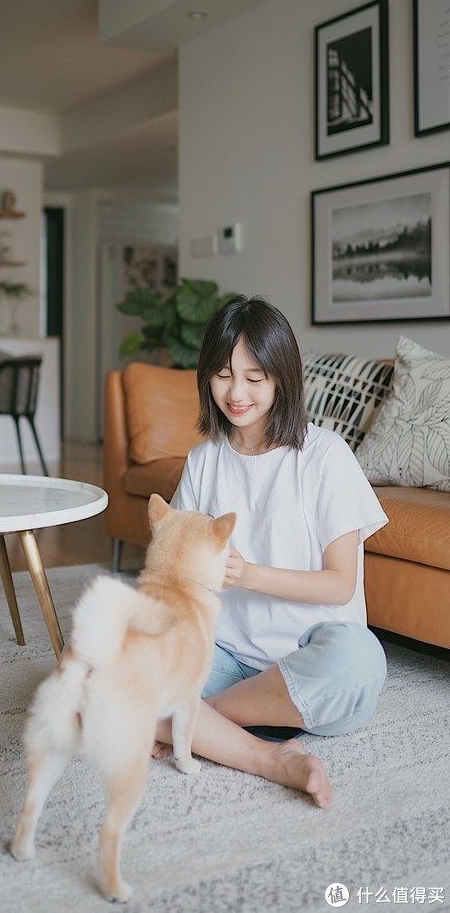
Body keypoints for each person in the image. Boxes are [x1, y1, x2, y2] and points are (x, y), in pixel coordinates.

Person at [153, 294, 388, 807]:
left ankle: (198, 717)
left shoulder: (324, 456)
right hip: (227, 654)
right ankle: (269, 757)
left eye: (254, 376)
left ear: (282, 376)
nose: (236, 392)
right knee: (104, 659)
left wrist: (247, 573)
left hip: (313, 663)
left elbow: (340, 583)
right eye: (222, 374)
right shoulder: (204, 459)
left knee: (360, 663)